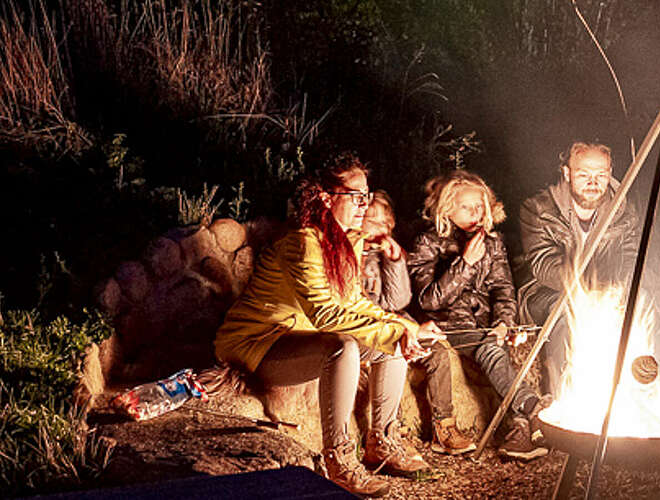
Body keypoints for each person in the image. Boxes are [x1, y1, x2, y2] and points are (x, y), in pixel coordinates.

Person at [213, 153, 443, 497]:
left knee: (398, 333)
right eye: (356, 196)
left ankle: (382, 440)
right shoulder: (303, 241)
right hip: (258, 343)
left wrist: (402, 327)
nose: (364, 204)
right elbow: (325, 315)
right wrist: (395, 331)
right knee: (344, 346)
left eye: (367, 195)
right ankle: (338, 460)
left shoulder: (348, 239)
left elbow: (355, 304)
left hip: (301, 338)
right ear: (326, 197)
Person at [407, 170, 546, 460]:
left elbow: (503, 288)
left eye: (480, 206)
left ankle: (520, 428)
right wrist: (466, 263)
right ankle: (533, 407)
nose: (475, 213)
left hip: (483, 327)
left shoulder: (493, 243)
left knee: (500, 347)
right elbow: (429, 300)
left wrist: (503, 323)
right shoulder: (428, 243)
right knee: (490, 350)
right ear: (447, 209)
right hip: (448, 329)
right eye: (466, 207)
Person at [514, 141, 640, 395]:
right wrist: (587, 291)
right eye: (583, 174)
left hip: (607, 289)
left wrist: (618, 291)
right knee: (569, 314)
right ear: (567, 173)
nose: (593, 182)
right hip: (546, 292)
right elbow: (544, 265)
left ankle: (639, 394)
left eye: (601, 175)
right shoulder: (538, 209)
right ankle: (564, 401)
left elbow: (631, 257)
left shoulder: (623, 209)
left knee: (642, 309)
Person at [359, 191, 475, 456]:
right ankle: (393, 429)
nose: (380, 227)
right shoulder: (353, 257)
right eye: (371, 220)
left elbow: (399, 299)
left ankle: (443, 425)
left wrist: (395, 261)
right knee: (390, 354)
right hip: (373, 327)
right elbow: (359, 308)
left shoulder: (387, 255)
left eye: (385, 222)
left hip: (398, 319)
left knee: (439, 352)